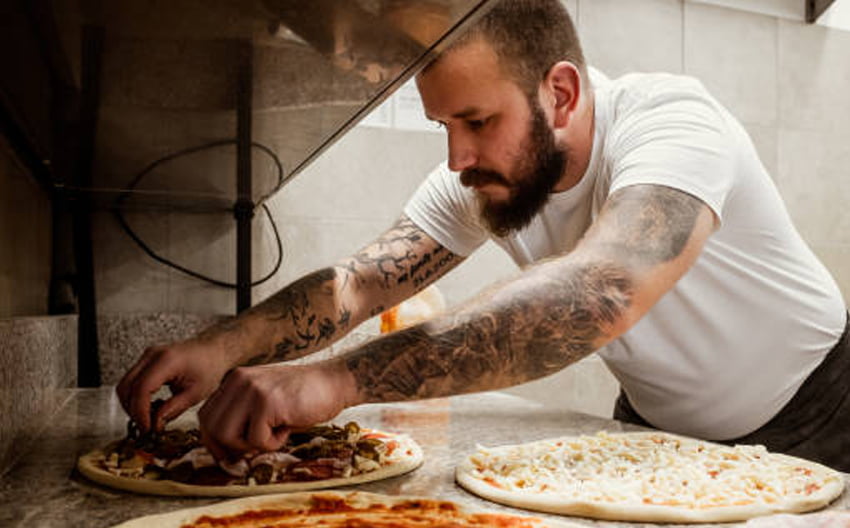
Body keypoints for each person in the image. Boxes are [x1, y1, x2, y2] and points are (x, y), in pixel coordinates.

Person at [118, 0, 850, 469]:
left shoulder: (673, 122)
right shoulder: (487, 176)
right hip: (662, 427)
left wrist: (333, 381)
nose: (457, 158)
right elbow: (358, 282)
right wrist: (222, 348)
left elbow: (603, 291)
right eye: (445, 126)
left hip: (823, 407)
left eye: (477, 121)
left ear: (559, 94)